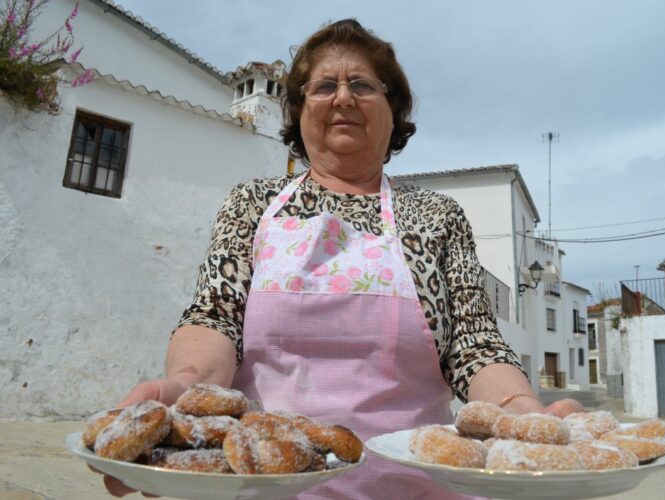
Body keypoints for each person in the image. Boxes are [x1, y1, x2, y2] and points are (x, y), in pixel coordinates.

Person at [103, 18, 583, 498]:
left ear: (393, 110)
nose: (343, 98)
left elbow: (474, 347)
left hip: (416, 485)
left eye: (361, 85)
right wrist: (185, 387)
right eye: (324, 86)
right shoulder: (251, 204)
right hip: (265, 483)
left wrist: (520, 408)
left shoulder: (437, 216)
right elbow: (215, 317)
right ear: (298, 109)